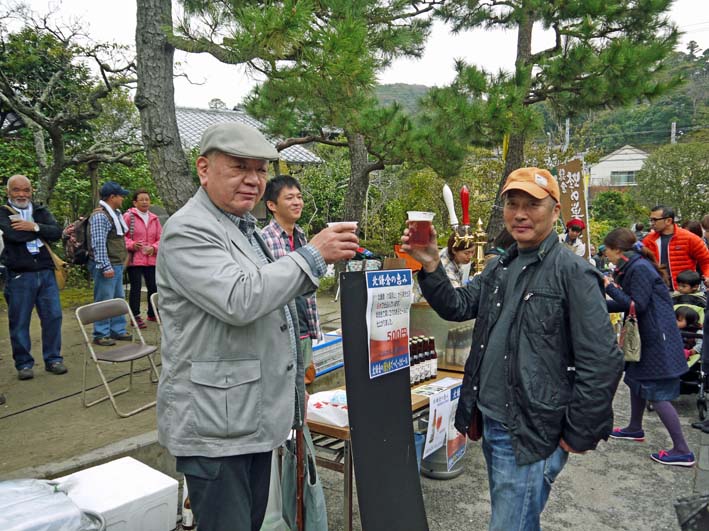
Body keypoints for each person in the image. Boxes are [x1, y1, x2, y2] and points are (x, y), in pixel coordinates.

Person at [156, 122, 358, 531]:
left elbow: (271, 305)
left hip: (245, 418)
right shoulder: (188, 229)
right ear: (203, 169)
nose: (253, 180)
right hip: (215, 427)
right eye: (239, 167)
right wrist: (312, 255)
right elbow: (240, 299)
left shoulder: (240, 227)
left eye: (260, 170)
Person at [402, 167, 622, 530]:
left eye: (532, 205)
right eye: (512, 204)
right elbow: (458, 307)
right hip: (491, 419)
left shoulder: (573, 272)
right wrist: (429, 263)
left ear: (555, 211)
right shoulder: (502, 265)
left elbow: (601, 360)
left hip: (530, 429)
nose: (520, 214)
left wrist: (577, 433)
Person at [603, 228, 694, 466]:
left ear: (618, 250)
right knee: (635, 381)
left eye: (608, 251)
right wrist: (599, 304)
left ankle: (683, 450)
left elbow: (636, 305)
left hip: (656, 340)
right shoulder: (633, 266)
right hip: (646, 337)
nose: (606, 256)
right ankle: (635, 428)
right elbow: (629, 304)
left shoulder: (639, 268)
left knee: (657, 393)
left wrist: (608, 287)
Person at [0, 175, 66, 380]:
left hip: (46, 272)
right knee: (19, 321)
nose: (22, 194)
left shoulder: (40, 210)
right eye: (17, 190)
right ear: (8, 192)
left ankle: (53, 358)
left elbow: (57, 232)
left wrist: (34, 227)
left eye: (26, 190)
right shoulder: (2, 213)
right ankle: (24, 363)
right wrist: (40, 231)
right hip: (20, 275)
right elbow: (13, 236)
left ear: (31, 191)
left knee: (53, 316)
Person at [261, 175, 322, 384]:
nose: (297, 202)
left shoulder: (301, 235)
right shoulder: (264, 239)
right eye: (289, 198)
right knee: (285, 385)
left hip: (304, 322)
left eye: (299, 196)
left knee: (306, 380)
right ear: (272, 205)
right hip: (281, 329)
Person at [89, 181, 132, 346]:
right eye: (120, 195)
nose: (122, 198)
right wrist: (105, 266)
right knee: (104, 300)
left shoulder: (116, 213)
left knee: (118, 298)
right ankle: (100, 333)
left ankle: (117, 330)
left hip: (117, 263)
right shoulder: (101, 216)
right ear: (112, 197)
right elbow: (98, 243)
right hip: (107, 266)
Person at [642, 205, 709, 290]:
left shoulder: (690, 238)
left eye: (655, 220)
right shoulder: (648, 240)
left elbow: (706, 260)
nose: (652, 223)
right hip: (658, 291)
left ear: (668, 220)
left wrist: (707, 276)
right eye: (651, 220)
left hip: (684, 292)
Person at [123, 189, 162, 329]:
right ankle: (135, 315)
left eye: (147, 199)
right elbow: (122, 236)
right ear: (135, 202)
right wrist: (132, 244)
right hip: (135, 259)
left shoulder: (154, 218)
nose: (145, 202)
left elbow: (160, 237)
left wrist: (154, 248)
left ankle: (153, 313)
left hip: (151, 258)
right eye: (142, 199)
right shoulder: (129, 217)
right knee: (136, 287)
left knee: (153, 286)